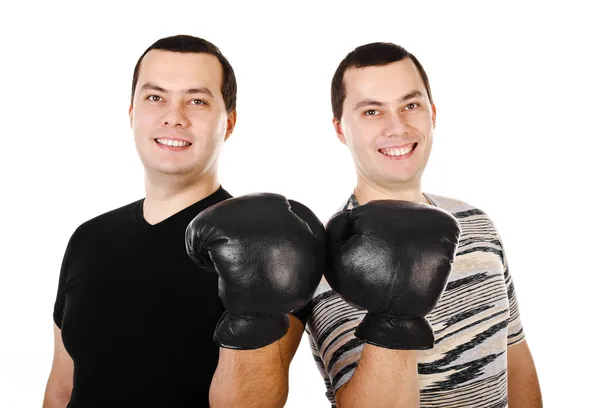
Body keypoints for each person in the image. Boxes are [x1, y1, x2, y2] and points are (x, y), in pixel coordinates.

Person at [42, 34, 320, 408]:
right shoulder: (89, 239)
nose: (174, 116)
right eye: (155, 98)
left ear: (229, 122)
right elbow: (62, 387)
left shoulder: (266, 244)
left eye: (197, 100)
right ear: (132, 114)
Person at [301, 42, 543, 407]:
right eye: (371, 111)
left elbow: (515, 357)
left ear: (432, 112)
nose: (397, 127)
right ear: (339, 128)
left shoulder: (476, 224)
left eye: (410, 105)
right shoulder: (313, 258)